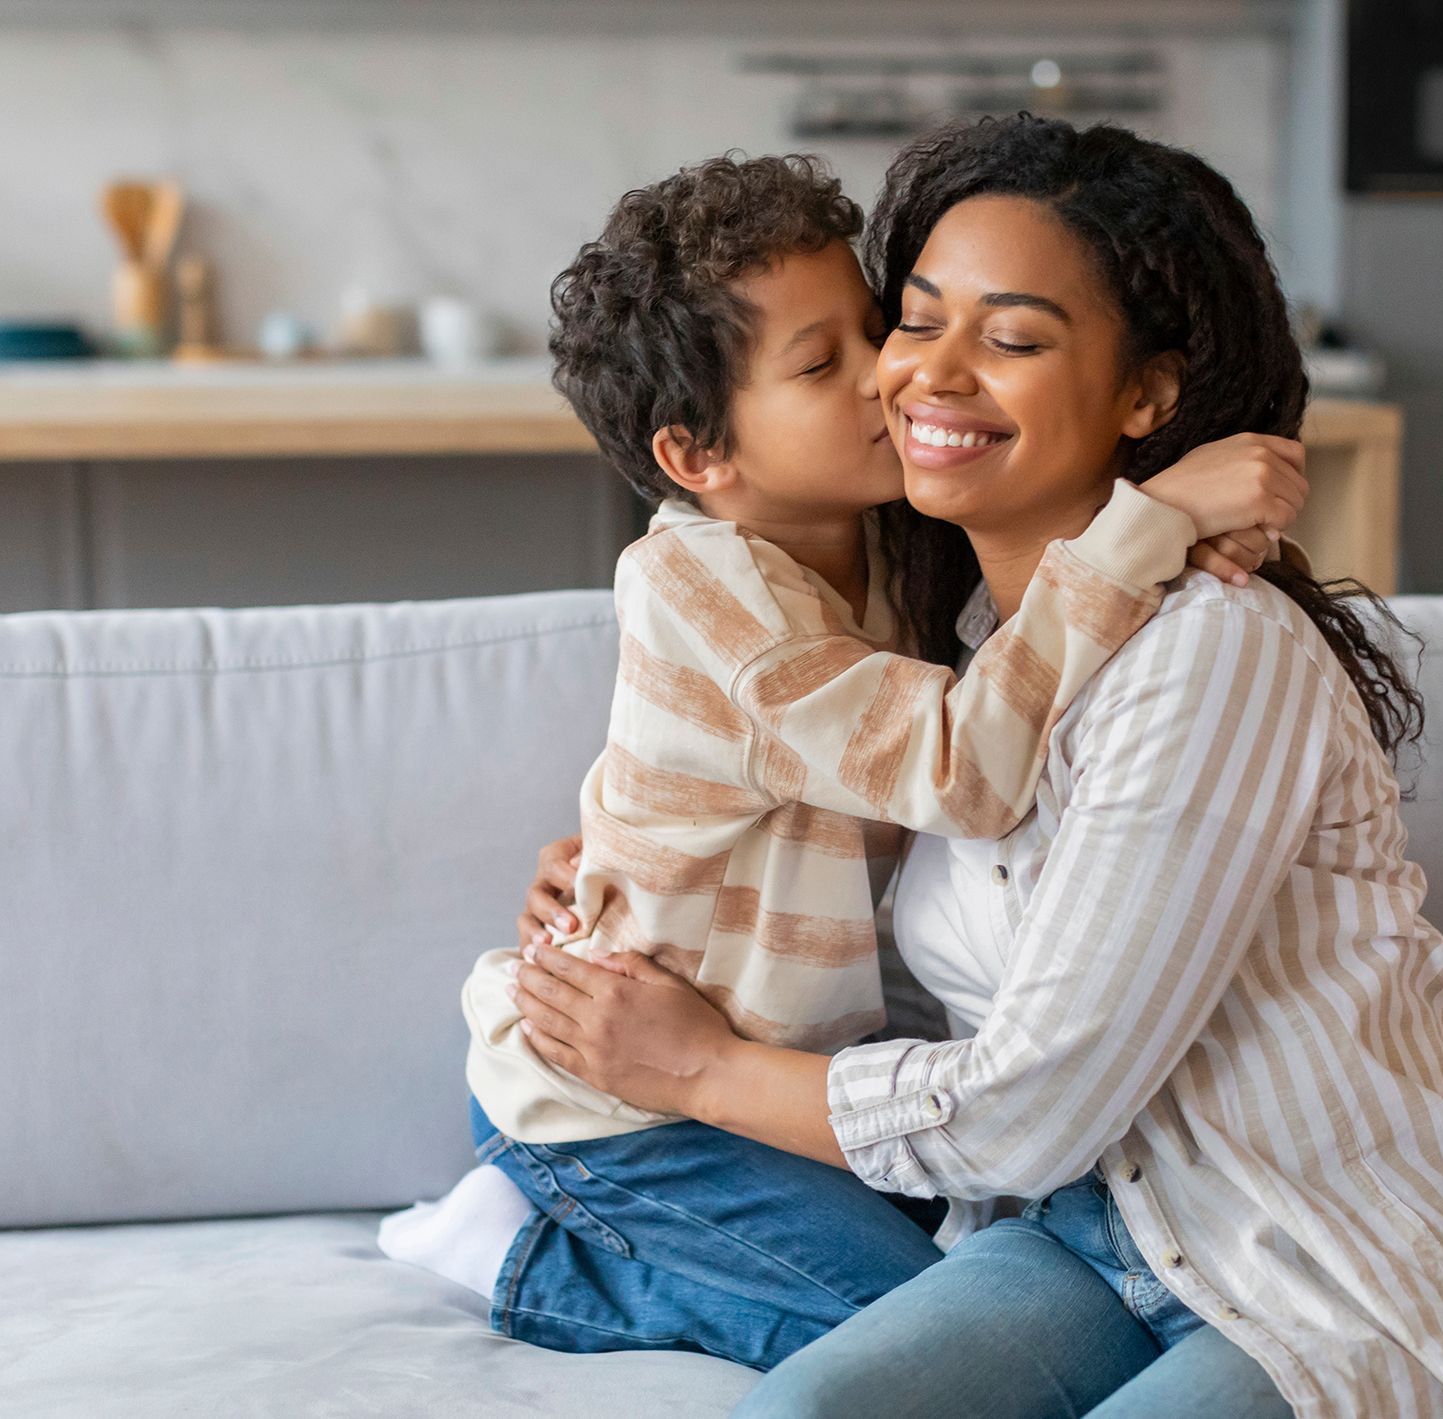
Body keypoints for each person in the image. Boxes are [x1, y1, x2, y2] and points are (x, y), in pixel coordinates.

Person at [510, 116, 1443, 1419]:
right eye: (913, 320)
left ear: (1146, 395)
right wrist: (635, 873)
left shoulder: (1209, 653)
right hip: (1083, 1236)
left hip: (1333, 1254)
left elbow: (1029, 1102)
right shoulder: (963, 652)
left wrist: (692, 1066)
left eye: (1015, 338)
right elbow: (914, 919)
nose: (908, 378)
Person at [377, 150, 1310, 1370]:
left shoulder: (892, 554)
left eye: (874, 328)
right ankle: (518, 1251)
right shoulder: (697, 582)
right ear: (698, 458)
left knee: (1007, 1301)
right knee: (931, 1349)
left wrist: (605, 847)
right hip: (622, 1106)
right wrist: (1154, 521)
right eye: (822, 365)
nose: (891, 374)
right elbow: (961, 766)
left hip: (775, 1082)